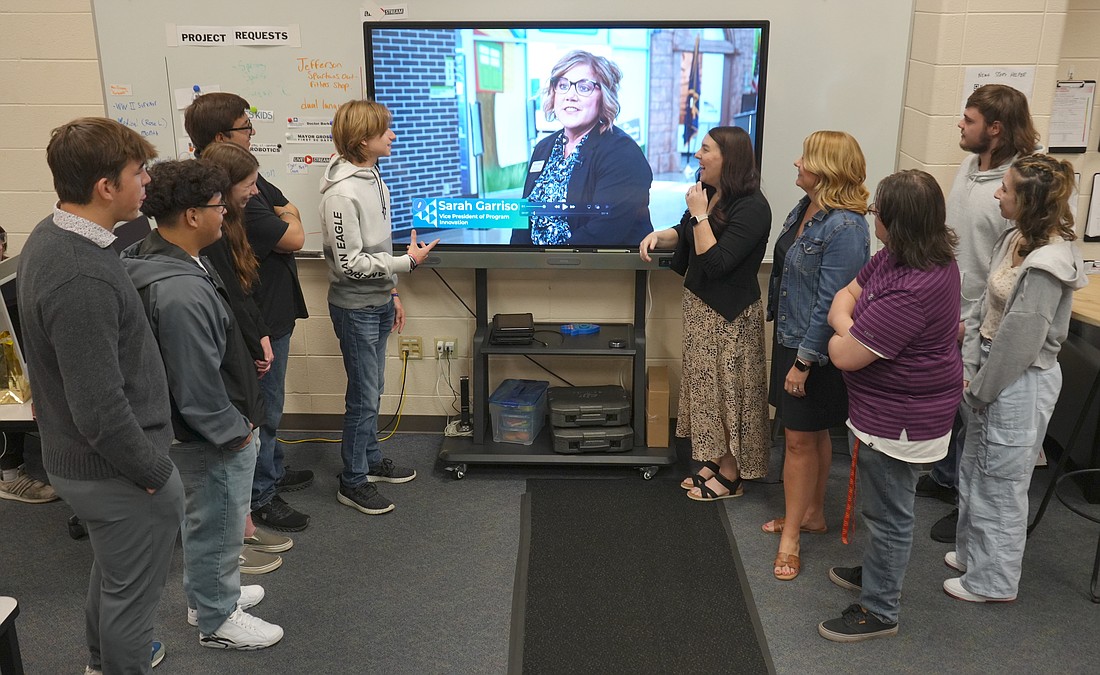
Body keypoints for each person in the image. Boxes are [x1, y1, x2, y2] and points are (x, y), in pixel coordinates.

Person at [18, 117, 185, 673]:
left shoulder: (55, 234)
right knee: (132, 600)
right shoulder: (80, 276)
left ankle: (102, 660)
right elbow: (99, 407)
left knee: (117, 577)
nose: (147, 183)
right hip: (114, 468)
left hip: (87, 461)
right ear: (105, 187)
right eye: (139, 172)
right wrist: (155, 473)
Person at [122, 159, 282, 649]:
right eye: (218, 207)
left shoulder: (167, 255)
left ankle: (208, 596)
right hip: (213, 435)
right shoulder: (179, 291)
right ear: (192, 215)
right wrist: (235, 432)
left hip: (205, 427)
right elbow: (195, 385)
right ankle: (217, 621)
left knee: (208, 520)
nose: (226, 215)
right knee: (218, 521)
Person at [817, 170, 962, 641]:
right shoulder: (899, 257)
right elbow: (847, 296)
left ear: (897, 222)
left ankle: (880, 610)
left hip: (901, 420)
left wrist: (843, 327)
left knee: (890, 515)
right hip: (884, 410)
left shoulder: (914, 288)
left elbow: (844, 355)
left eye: (878, 210)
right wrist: (847, 321)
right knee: (882, 508)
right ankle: (878, 571)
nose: (871, 215)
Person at [947, 154, 1087, 603]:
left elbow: (1021, 343)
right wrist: (972, 368)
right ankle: (973, 558)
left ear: (1029, 201)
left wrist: (981, 389)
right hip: (991, 367)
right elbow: (987, 308)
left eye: (1005, 189)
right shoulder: (1013, 236)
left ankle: (994, 582)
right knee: (975, 469)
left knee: (1001, 483)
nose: (996, 193)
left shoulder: (1048, 263)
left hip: (1018, 380)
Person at [185, 92, 312, 533]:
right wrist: (287, 214)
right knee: (262, 411)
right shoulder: (219, 192)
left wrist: (286, 212)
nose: (252, 133)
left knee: (268, 409)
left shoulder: (244, 179)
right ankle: (262, 496)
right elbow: (291, 234)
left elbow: (286, 210)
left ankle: (271, 474)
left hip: (269, 314)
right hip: (256, 321)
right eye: (245, 127)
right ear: (221, 138)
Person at [919, 84, 1040, 544]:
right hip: (950, 302)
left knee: (974, 412)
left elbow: (1015, 262)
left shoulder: (1020, 184)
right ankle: (947, 478)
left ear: (996, 128)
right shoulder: (971, 165)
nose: (960, 126)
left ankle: (964, 505)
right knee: (951, 403)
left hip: (983, 317)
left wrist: (975, 320)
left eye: (969, 120)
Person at [639, 127, 771, 505]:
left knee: (728, 393)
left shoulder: (753, 207)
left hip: (729, 319)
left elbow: (715, 262)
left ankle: (732, 475)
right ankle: (718, 457)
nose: (697, 155)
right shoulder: (712, 195)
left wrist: (699, 216)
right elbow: (684, 232)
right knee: (707, 392)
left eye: (706, 149)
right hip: (700, 312)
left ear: (729, 159)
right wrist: (658, 235)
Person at [319, 99, 438, 514]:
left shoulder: (372, 176)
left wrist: (394, 291)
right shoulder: (342, 194)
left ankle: (369, 462)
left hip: (379, 301)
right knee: (363, 397)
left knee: (373, 390)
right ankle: (351, 480)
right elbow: (350, 263)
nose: (393, 135)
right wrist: (408, 264)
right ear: (361, 139)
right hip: (355, 309)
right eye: (384, 130)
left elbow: (375, 250)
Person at [763, 130, 870, 581]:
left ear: (826, 168)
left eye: (804, 157)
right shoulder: (807, 208)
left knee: (799, 439)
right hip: (792, 336)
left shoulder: (846, 226)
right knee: (813, 433)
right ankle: (810, 515)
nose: (795, 162)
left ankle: (792, 538)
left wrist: (803, 363)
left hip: (815, 349)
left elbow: (833, 304)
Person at [199, 141, 295, 569]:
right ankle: (233, 538)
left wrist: (259, 336)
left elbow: (244, 291)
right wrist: (256, 339)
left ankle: (245, 528)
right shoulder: (209, 235)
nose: (258, 193)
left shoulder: (231, 222)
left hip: (248, 334)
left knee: (253, 426)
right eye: (250, 185)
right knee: (237, 437)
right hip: (229, 345)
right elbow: (230, 295)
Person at [511, 50, 653, 247]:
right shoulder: (544, 148)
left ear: (604, 95)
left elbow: (603, 233)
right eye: (563, 85)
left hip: (593, 273)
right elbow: (524, 216)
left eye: (584, 87)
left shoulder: (622, 153)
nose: (570, 96)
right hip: (536, 271)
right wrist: (515, 264)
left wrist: (547, 266)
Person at [0, 225, 58, 504]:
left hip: (20, 355)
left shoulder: (11, 275)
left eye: (1, 241)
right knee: (8, 387)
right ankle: (9, 476)